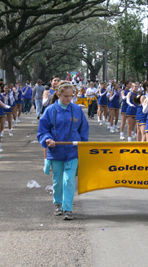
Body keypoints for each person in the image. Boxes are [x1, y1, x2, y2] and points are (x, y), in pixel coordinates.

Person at [37, 81, 89, 220]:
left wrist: (83, 145)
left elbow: (83, 130)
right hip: (56, 152)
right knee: (57, 180)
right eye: (65, 96)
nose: (68, 99)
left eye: (71, 96)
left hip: (72, 152)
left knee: (69, 180)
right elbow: (42, 131)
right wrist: (48, 140)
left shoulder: (77, 110)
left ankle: (68, 209)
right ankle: (58, 203)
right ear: (58, 95)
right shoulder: (50, 110)